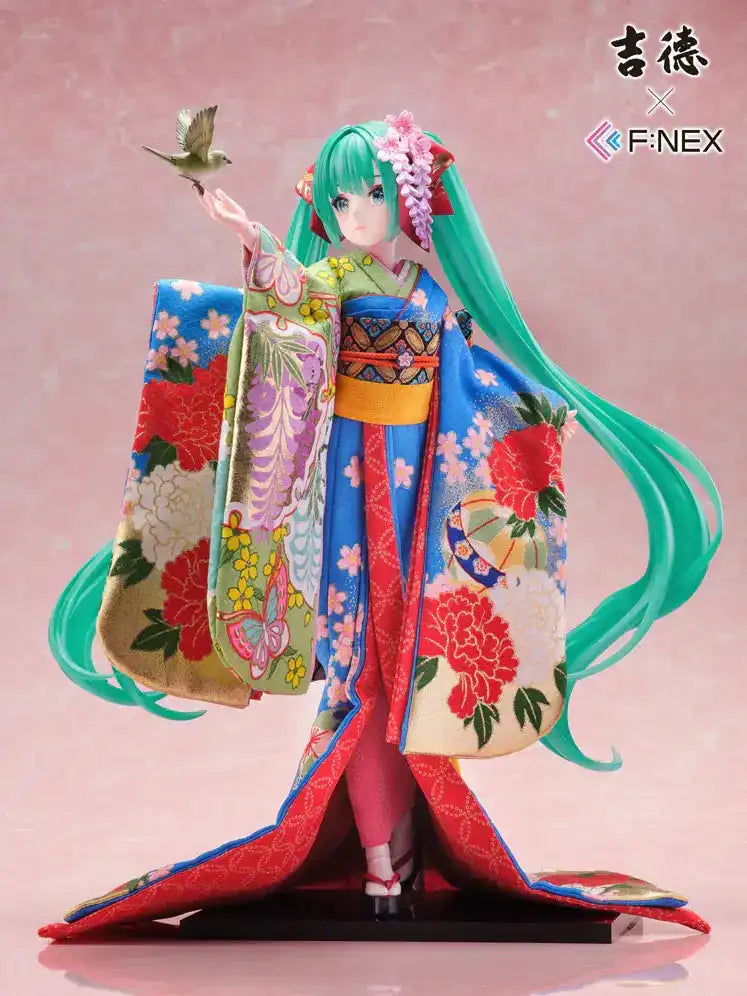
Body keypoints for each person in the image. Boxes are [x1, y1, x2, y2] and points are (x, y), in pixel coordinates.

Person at [39, 112, 721, 940]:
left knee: (404, 673)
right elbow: (287, 307)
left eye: (370, 194)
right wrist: (251, 238)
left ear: (407, 201)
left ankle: (387, 858)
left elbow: (472, 378)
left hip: (420, 488)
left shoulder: (427, 293)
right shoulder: (329, 277)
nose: (355, 212)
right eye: (339, 199)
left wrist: (538, 410)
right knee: (360, 670)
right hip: (344, 485)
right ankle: (377, 858)